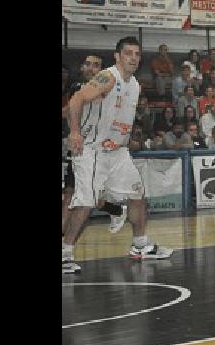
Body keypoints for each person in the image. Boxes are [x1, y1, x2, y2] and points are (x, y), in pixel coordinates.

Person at [63, 37, 173, 274]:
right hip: (93, 150)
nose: (133, 57)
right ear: (117, 56)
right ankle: (65, 253)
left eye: (137, 54)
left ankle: (140, 245)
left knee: (137, 194)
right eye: (128, 53)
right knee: (85, 202)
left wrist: (127, 139)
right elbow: (77, 99)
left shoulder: (134, 84)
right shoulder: (107, 77)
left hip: (118, 151)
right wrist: (74, 132)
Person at [62, 54, 127, 235]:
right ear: (82, 68)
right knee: (74, 194)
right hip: (78, 148)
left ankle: (65, 250)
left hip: (97, 149)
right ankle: (115, 209)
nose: (91, 68)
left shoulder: (107, 88)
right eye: (88, 64)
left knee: (77, 195)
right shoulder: (76, 87)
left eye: (96, 65)